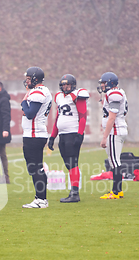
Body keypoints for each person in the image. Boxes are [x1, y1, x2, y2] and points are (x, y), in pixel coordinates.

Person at [48, 74, 89, 203]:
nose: (66, 87)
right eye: (64, 84)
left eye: (68, 84)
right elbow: (57, 118)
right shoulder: (59, 97)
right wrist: (52, 136)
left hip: (73, 133)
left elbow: (83, 116)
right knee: (68, 164)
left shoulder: (78, 95)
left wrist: (80, 134)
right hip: (62, 134)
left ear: (73, 85)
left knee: (72, 163)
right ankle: (73, 190)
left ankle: (75, 193)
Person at [21, 66, 52, 208]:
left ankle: (41, 199)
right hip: (36, 133)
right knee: (36, 168)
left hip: (34, 134)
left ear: (35, 79)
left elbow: (29, 113)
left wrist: (23, 103)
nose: (27, 81)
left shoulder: (38, 92)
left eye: (28, 78)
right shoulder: (40, 91)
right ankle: (40, 198)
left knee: (35, 168)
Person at [98, 72, 128, 199]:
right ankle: (117, 191)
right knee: (114, 161)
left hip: (115, 131)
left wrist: (105, 136)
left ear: (110, 83)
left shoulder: (114, 94)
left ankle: (116, 192)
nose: (102, 86)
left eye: (104, 83)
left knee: (115, 161)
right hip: (116, 130)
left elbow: (112, 117)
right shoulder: (115, 93)